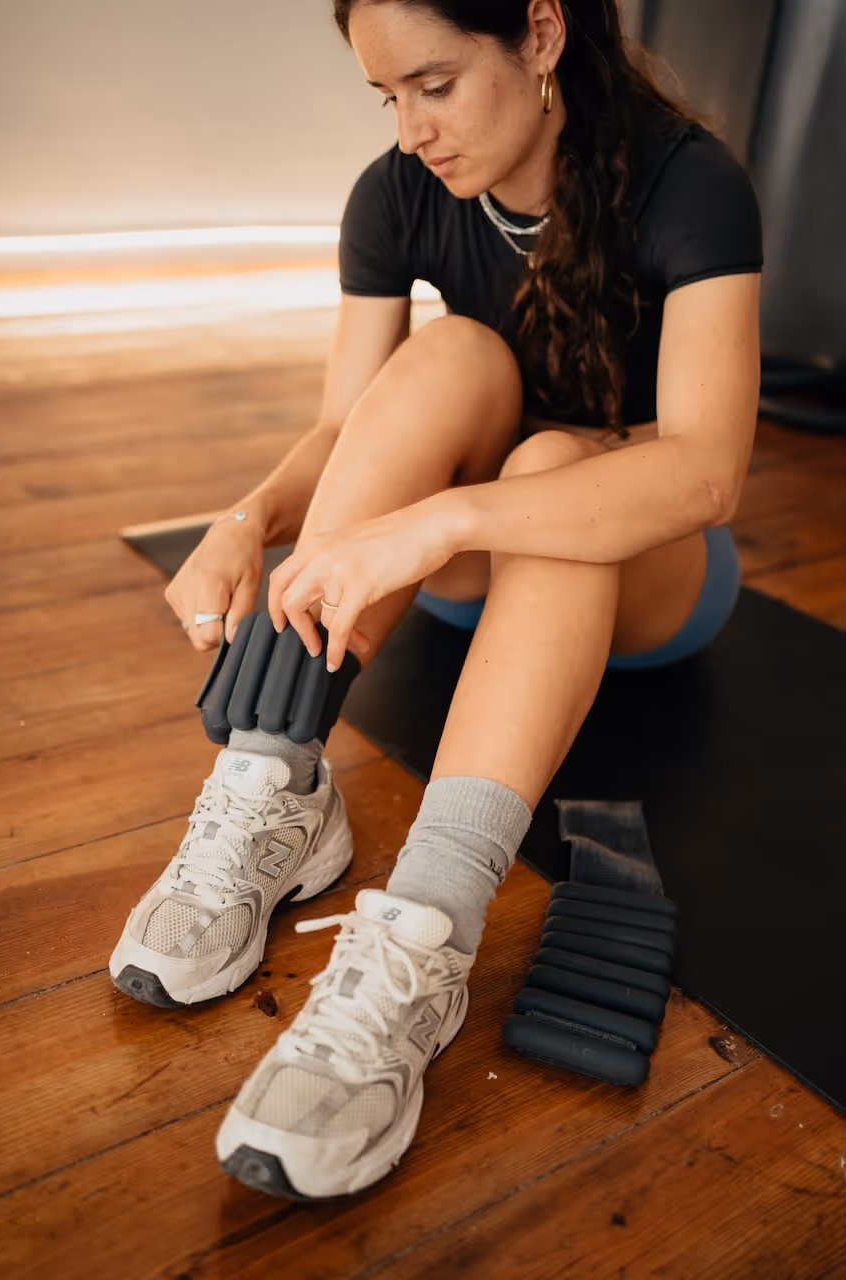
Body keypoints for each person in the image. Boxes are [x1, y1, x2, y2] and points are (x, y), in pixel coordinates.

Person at [110, 0, 762, 1200]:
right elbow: (342, 425)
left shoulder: (688, 181)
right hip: (460, 579)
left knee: (556, 463)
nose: (410, 129)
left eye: (435, 85)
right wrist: (250, 516)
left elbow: (707, 472)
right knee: (448, 355)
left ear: (543, 34)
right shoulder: (394, 193)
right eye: (386, 98)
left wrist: (447, 518)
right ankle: (277, 782)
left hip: (646, 584)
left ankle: (424, 934)